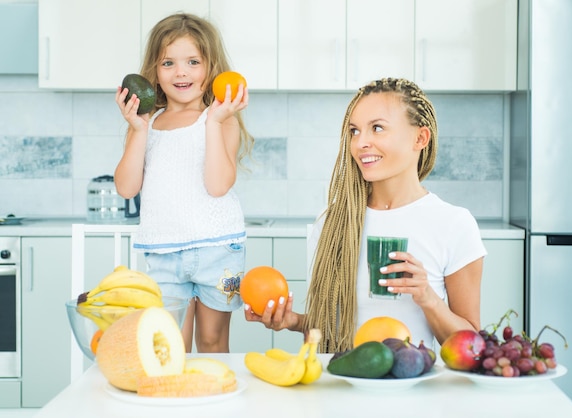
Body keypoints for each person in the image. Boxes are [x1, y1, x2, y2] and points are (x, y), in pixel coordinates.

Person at [244, 78, 486, 353]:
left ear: (420, 138)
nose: (361, 143)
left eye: (377, 128)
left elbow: (472, 345)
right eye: (355, 131)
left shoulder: (453, 224)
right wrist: (293, 321)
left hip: (413, 386)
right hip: (343, 383)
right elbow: (331, 327)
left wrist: (427, 297)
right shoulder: (332, 223)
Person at [114, 13, 253, 353]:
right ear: (155, 72)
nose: (181, 72)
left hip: (220, 252)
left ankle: (215, 408)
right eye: (168, 63)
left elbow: (218, 185)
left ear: (211, 67)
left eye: (193, 62)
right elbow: (126, 188)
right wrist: (137, 128)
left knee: (213, 341)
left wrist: (214, 121)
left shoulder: (222, 119)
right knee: (168, 346)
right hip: (163, 254)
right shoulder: (149, 123)